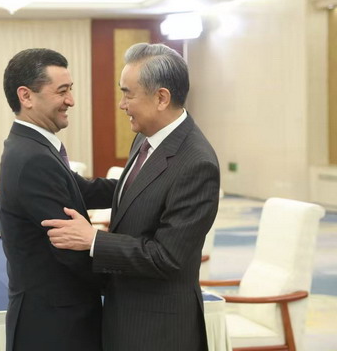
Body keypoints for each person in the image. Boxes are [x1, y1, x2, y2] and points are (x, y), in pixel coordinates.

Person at [42, 43, 220, 351]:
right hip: (124, 312)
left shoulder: (196, 163)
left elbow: (167, 257)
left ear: (161, 98)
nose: (122, 105)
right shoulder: (146, 137)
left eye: (128, 94)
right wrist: (53, 175)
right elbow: (133, 191)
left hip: (158, 329)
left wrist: (94, 240)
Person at [0, 48, 115, 351]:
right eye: (62, 91)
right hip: (57, 327)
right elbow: (70, 248)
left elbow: (83, 190)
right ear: (26, 96)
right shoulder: (33, 157)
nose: (71, 101)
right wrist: (129, 283)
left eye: (70, 90)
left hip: (52, 318)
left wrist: (149, 184)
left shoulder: (31, 147)